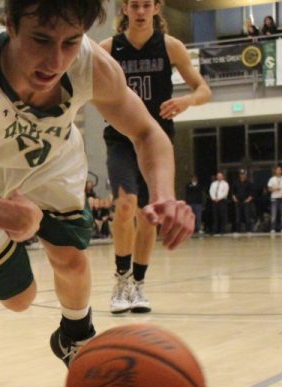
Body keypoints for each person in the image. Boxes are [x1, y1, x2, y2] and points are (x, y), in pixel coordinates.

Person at [0, 0, 194, 366]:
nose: (55, 62)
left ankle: (75, 336)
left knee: (73, 260)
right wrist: (8, 215)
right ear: (10, 25)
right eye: (41, 40)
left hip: (47, 156)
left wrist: (164, 195)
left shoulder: (93, 66)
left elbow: (146, 132)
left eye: (70, 42)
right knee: (20, 299)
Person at [101, 0, 210, 314]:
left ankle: (138, 283)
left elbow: (203, 88)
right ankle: (121, 279)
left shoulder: (170, 46)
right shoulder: (109, 48)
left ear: (156, 8)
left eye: (145, 5)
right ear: (124, 9)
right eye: (134, 5)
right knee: (124, 205)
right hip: (121, 138)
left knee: (150, 213)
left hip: (156, 139)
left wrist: (186, 101)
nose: (139, 11)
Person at [231, 168, 255, 234]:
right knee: (237, 216)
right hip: (237, 202)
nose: (242, 175)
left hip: (246, 202)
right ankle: (237, 231)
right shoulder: (235, 182)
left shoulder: (249, 183)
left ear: (246, 175)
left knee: (247, 216)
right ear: (239, 175)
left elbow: (252, 193)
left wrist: (248, 200)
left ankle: (248, 231)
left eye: (243, 174)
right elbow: (233, 192)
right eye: (241, 174)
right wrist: (234, 198)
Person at [267, 165, 282, 234]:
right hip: (274, 198)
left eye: (280, 170)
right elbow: (269, 189)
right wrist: (275, 189)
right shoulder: (272, 179)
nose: (279, 171)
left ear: (281, 171)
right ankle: (273, 228)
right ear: (275, 171)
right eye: (277, 170)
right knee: (274, 214)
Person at [208, 171, 229, 235]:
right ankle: (215, 230)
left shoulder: (225, 184)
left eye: (220, 176)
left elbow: (225, 193)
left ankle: (222, 230)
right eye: (218, 176)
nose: (219, 177)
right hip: (214, 201)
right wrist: (214, 198)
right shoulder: (213, 183)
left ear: (223, 177)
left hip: (222, 201)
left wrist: (219, 198)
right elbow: (211, 191)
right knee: (215, 215)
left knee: (222, 215)